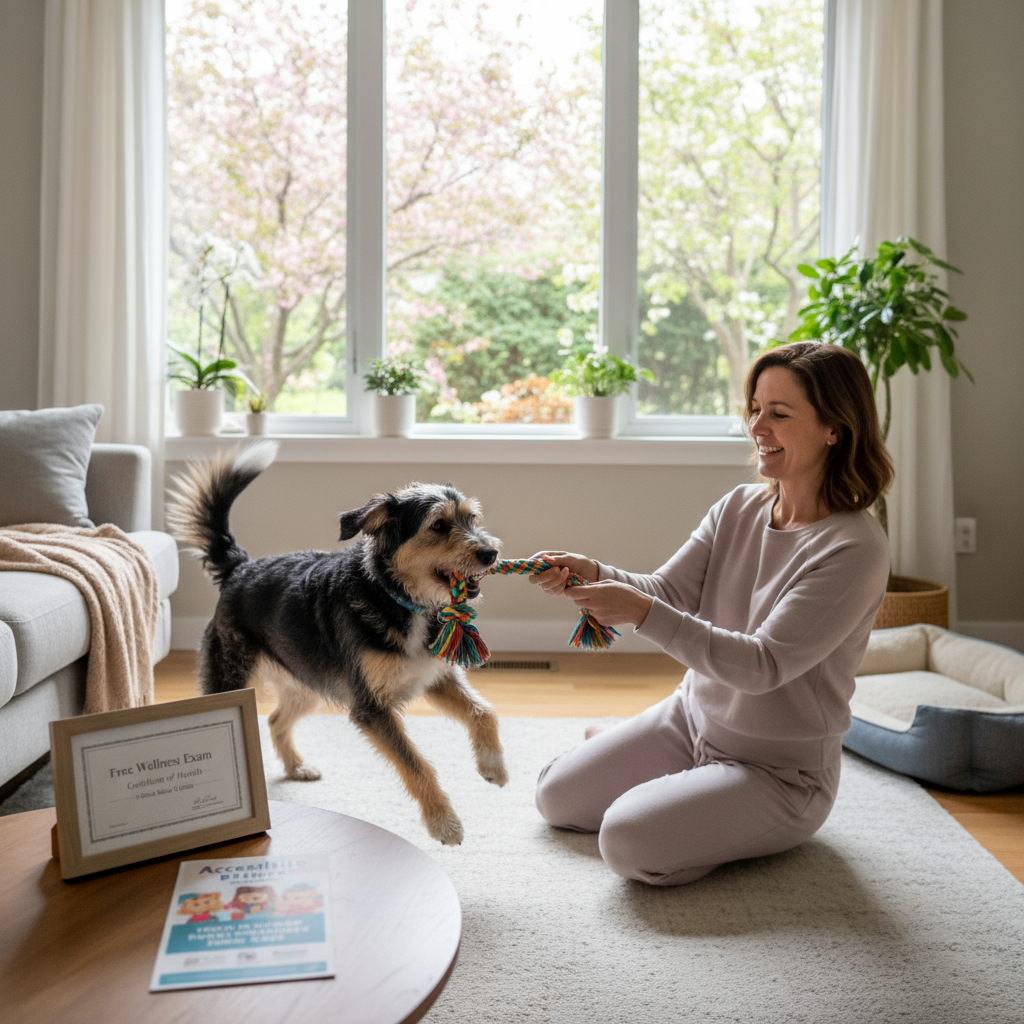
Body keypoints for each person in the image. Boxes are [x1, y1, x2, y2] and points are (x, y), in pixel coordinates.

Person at [530, 341, 894, 886]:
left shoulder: (853, 548)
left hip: (777, 773)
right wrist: (594, 571)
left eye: (779, 413)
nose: (758, 426)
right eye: (755, 408)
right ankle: (679, 785)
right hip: (691, 720)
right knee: (555, 797)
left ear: (833, 429)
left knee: (625, 841)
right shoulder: (738, 507)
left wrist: (641, 612)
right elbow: (666, 591)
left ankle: (695, 802)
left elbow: (762, 665)